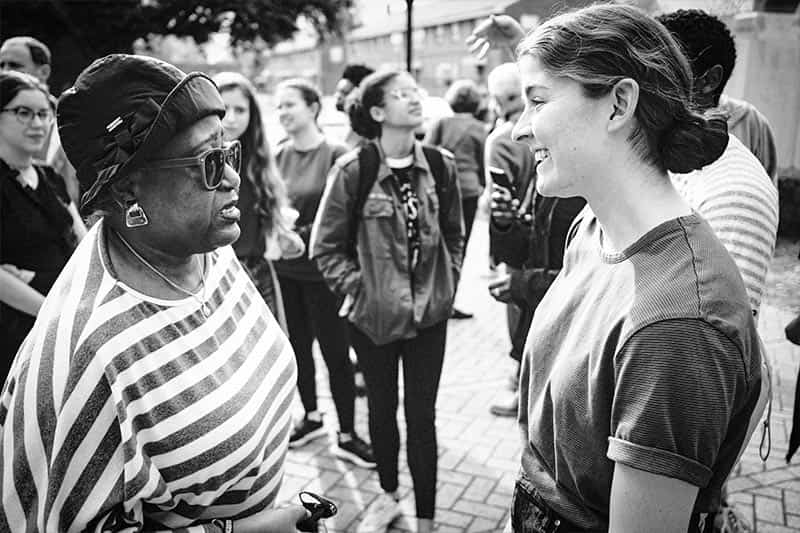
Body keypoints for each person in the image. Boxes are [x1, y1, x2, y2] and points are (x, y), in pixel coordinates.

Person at [478, 5, 762, 532]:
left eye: (537, 101)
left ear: (619, 105)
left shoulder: (680, 323)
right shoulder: (591, 226)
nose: (519, 130)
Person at [0, 54, 309, 531]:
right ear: (126, 192)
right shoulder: (89, 352)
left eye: (228, 154)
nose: (232, 177)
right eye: (208, 162)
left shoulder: (206, 250)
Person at [310, 69, 464, 533]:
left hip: (429, 317)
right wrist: (360, 289)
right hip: (372, 319)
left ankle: (428, 517)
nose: (415, 100)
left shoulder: (441, 165)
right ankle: (389, 496)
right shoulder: (353, 170)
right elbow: (325, 247)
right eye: (402, 94)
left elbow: (455, 235)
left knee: (422, 416)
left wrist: (448, 282)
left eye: (416, 92)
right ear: (378, 112)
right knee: (380, 410)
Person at [273, 77, 375, 468]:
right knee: (297, 349)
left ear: (313, 108)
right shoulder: (278, 155)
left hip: (324, 276)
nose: (282, 113)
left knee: (336, 353)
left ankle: (348, 433)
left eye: (290, 105)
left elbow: (346, 218)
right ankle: (312, 417)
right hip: (286, 272)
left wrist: (300, 234)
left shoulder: (336, 153)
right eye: (279, 106)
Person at [480, 64, 585, 418]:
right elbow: (530, 244)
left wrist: (523, 282)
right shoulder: (550, 177)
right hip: (541, 321)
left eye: (536, 104)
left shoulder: (593, 194)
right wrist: (505, 224)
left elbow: (587, 281)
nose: (520, 130)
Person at [0, 71, 86, 382]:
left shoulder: (50, 176)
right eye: (23, 112)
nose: (37, 124)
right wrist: (50, 314)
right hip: (15, 329)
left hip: (64, 324)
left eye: (43, 113)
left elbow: (83, 246)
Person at [213, 71, 304, 332]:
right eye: (223, 108)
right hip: (218, 277)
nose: (231, 118)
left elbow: (271, 226)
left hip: (259, 272)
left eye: (240, 110)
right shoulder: (199, 161)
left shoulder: (260, 161)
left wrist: (283, 236)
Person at [657, 9, 778, 185]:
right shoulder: (639, 119)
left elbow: (767, 192)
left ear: (709, 80)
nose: (651, 79)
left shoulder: (749, 123)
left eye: (665, 69)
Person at [424, 78, 486, 320]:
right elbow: (483, 161)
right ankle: (448, 300)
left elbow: (427, 151)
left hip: (440, 188)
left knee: (434, 241)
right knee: (458, 245)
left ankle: (430, 295)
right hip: (468, 191)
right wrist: (482, 184)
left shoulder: (441, 123)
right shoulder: (480, 128)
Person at [0, 36, 79, 203]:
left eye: (14, 65)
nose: (4, 71)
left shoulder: (72, 122)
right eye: (1, 65)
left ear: (43, 72)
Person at [334, 64, 375, 149]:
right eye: (338, 91)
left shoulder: (368, 135)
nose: (337, 96)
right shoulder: (341, 129)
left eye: (345, 92)